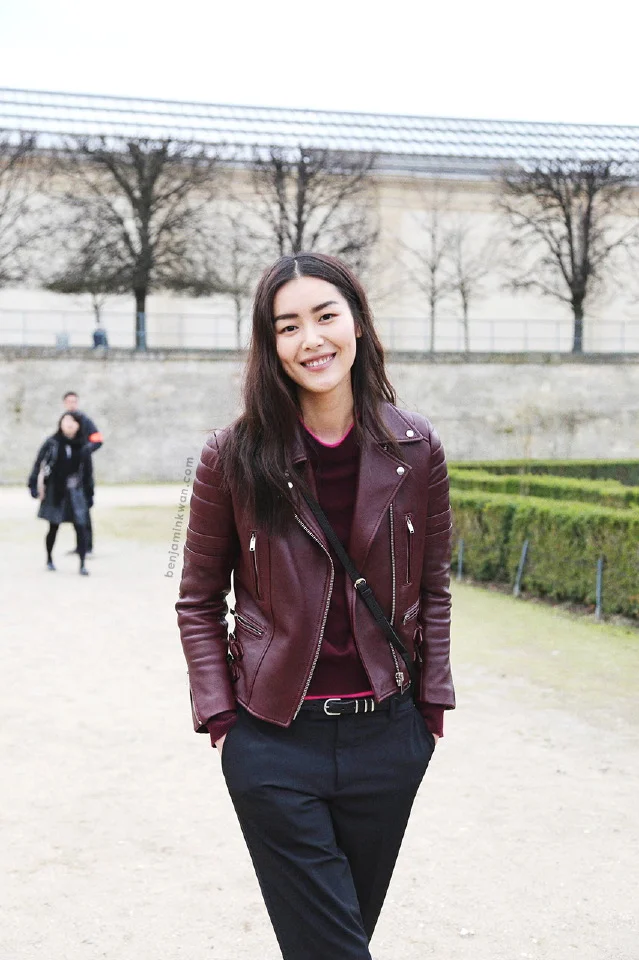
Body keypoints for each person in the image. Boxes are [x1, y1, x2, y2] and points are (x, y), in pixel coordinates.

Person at [176, 253, 455, 960]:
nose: (311, 339)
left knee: (335, 941)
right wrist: (222, 717)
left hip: (387, 740)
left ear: (357, 322)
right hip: (274, 742)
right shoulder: (230, 456)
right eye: (287, 325)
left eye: (325, 315)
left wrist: (429, 708)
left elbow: (434, 588)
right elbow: (198, 600)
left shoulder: (416, 447)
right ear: (269, 346)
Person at [27, 412, 94, 576]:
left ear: (78, 425)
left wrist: (90, 493)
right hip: (56, 489)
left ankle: (82, 563)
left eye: (73, 422)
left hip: (76, 490)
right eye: (66, 421)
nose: (70, 424)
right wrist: (33, 484)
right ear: (61, 424)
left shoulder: (83, 445)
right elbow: (39, 463)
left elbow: (88, 472)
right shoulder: (52, 443)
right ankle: (49, 559)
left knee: (81, 526)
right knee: (53, 526)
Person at [62, 391, 103, 554]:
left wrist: (85, 450)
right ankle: (80, 545)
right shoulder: (64, 421)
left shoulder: (85, 421)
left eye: (74, 401)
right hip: (68, 471)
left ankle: (88, 546)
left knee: (84, 507)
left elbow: (98, 439)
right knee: (73, 509)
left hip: (83, 470)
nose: (71, 404)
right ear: (65, 403)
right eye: (69, 401)